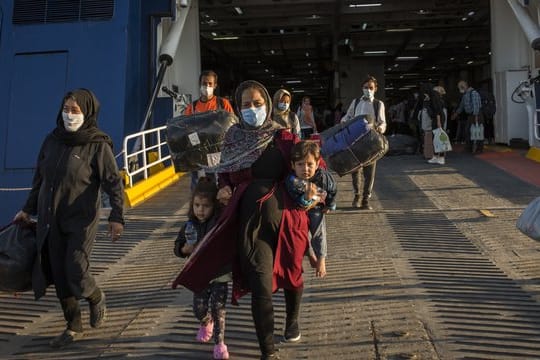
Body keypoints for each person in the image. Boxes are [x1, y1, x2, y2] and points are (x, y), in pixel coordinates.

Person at [172, 80, 309, 360]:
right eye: (246, 104)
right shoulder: (232, 138)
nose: (252, 109)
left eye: (257, 103)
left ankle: (292, 317)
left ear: (267, 106)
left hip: (286, 222)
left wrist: (314, 184)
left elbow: (308, 164)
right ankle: (267, 350)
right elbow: (224, 173)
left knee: (293, 275)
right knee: (261, 284)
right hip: (250, 227)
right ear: (237, 106)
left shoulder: (283, 139)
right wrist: (223, 187)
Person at [13, 89, 124, 348]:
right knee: (58, 274)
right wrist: (27, 210)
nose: (69, 115)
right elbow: (39, 181)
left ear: (87, 113)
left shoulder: (97, 144)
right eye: (66, 109)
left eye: (75, 110)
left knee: (75, 268)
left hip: (80, 220)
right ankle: (73, 325)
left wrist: (117, 217)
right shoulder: (52, 140)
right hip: (49, 219)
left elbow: (113, 182)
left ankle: (95, 296)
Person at [174, 177, 230, 360]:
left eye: (205, 206)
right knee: (199, 309)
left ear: (213, 205)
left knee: (218, 307)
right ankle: (206, 321)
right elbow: (178, 246)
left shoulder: (220, 219)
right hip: (200, 275)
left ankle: (219, 344)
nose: (200, 210)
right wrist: (184, 249)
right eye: (197, 205)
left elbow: (229, 214)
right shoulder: (190, 225)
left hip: (219, 273)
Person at [285, 141, 337, 278]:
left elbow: (332, 190)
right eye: (300, 164)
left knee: (318, 230)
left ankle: (321, 258)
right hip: (299, 208)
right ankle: (310, 254)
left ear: (317, 163)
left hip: (317, 209)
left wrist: (330, 205)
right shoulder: (292, 181)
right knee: (302, 234)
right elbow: (299, 203)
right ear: (293, 165)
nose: (305, 169)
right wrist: (307, 197)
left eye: (309, 164)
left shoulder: (324, 177)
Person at [183, 70, 235, 190]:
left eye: (210, 84)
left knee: (216, 181)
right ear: (199, 84)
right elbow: (187, 129)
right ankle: (196, 205)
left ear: (215, 86)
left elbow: (232, 125)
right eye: (204, 83)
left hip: (217, 151)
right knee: (196, 185)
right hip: (198, 151)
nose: (207, 86)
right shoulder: (192, 107)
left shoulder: (223, 104)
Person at [341, 75, 386, 209]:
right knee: (355, 170)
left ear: (375, 89)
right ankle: (357, 195)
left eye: (371, 88)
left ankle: (366, 199)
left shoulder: (378, 104)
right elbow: (347, 116)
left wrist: (380, 128)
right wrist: (344, 122)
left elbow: (383, 122)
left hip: (371, 142)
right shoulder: (355, 102)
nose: (368, 90)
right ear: (362, 88)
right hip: (355, 141)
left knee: (369, 172)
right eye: (366, 87)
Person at [451, 80, 483, 153]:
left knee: (477, 131)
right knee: (468, 131)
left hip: (476, 114)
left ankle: (478, 148)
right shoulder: (465, 95)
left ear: (464, 86)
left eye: (460, 87)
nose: (459, 89)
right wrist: (456, 114)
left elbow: (476, 105)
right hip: (470, 115)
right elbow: (461, 106)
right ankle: (469, 148)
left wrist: (476, 117)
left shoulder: (473, 93)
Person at [418, 83, 446, 164]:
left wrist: (438, 122)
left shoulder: (434, 97)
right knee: (436, 138)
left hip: (438, 119)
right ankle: (436, 156)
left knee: (439, 138)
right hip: (437, 119)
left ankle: (441, 157)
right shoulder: (433, 96)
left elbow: (437, 110)